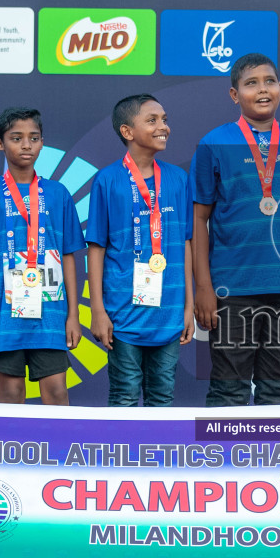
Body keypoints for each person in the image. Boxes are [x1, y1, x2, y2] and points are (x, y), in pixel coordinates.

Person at [192, 53, 280, 406]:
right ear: (234, 94)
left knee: (278, 390)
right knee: (229, 389)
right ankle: (226, 461)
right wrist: (204, 287)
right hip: (231, 286)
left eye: (269, 81)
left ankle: (267, 461)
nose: (262, 89)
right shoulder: (214, 143)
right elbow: (199, 219)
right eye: (251, 83)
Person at [0, 107, 83, 406]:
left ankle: (59, 451)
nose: (26, 145)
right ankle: (13, 452)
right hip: (3, 313)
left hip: (51, 312)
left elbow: (70, 255)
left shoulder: (58, 193)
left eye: (33, 138)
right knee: (9, 393)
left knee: (57, 391)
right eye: (16, 138)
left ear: (42, 143)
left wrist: (73, 314)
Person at [87, 94, 194, 406]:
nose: (163, 126)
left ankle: (155, 457)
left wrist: (187, 307)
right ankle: (124, 456)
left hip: (170, 314)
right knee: (124, 396)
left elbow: (186, 243)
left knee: (163, 398)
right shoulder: (107, 180)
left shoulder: (178, 178)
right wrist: (97, 310)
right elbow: (96, 249)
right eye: (152, 120)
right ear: (127, 132)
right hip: (122, 314)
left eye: (164, 119)